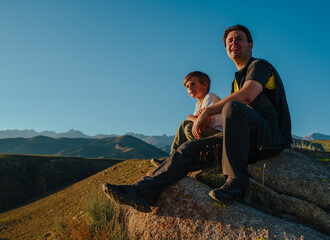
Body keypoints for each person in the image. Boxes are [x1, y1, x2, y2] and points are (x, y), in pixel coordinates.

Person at [102, 25, 292, 213]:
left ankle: (236, 183)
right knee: (188, 149)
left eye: (239, 38)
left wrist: (207, 112)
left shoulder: (259, 66)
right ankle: (141, 191)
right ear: (225, 48)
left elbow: (247, 95)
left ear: (250, 45)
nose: (233, 42)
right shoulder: (236, 81)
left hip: (271, 138)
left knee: (234, 107)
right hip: (245, 142)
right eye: (229, 41)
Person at [151, 71, 222, 167]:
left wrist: (195, 118)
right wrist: (192, 117)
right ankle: (172, 158)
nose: (190, 88)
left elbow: (204, 123)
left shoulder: (210, 97)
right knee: (185, 124)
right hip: (208, 135)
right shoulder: (198, 105)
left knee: (189, 128)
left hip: (218, 136)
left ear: (205, 85)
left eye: (193, 84)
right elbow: (194, 122)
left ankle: (205, 158)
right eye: (187, 86)